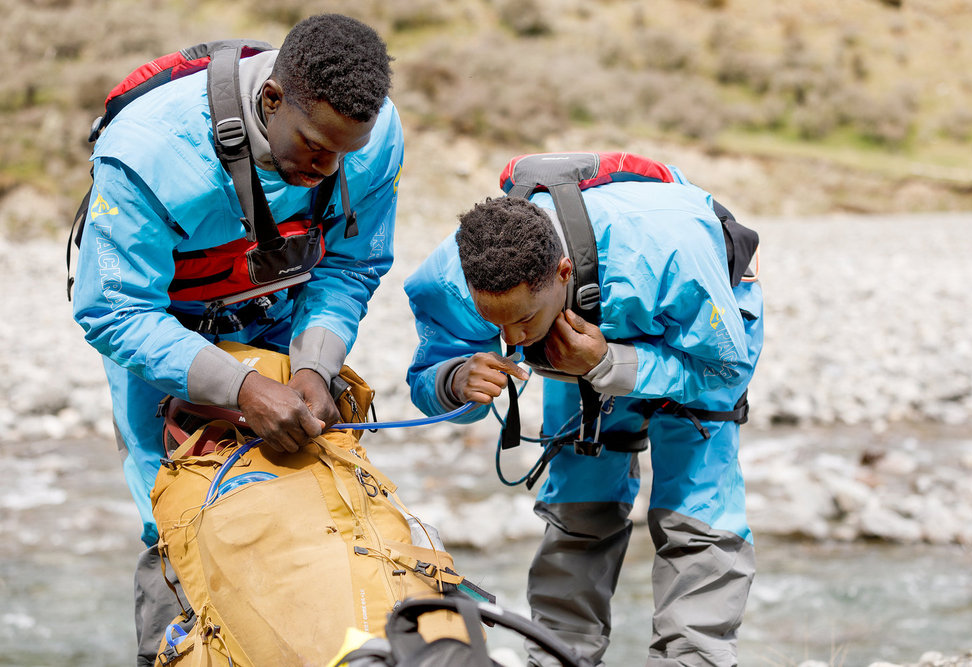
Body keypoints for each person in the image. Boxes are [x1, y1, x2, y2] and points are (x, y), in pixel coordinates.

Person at [71, 14, 403, 665]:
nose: (329, 165)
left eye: (346, 151)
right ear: (271, 100)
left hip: (279, 304)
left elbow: (352, 264)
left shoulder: (373, 134)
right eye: (313, 146)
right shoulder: (147, 152)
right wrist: (243, 389)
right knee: (176, 515)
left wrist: (315, 366)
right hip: (162, 325)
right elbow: (115, 312)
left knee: (306, 479)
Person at [404, 167, 763, 666]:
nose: (512, 340)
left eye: (523, 319)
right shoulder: (451, 277)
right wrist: (455, 380)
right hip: (581, 335)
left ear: (563, 273)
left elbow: (727, 369)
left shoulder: (676, 256)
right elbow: (427, 378)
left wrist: (607, 363)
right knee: (579, 508)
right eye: (494, 321)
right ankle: (558, 657)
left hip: (689, 326)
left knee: (696, 517)